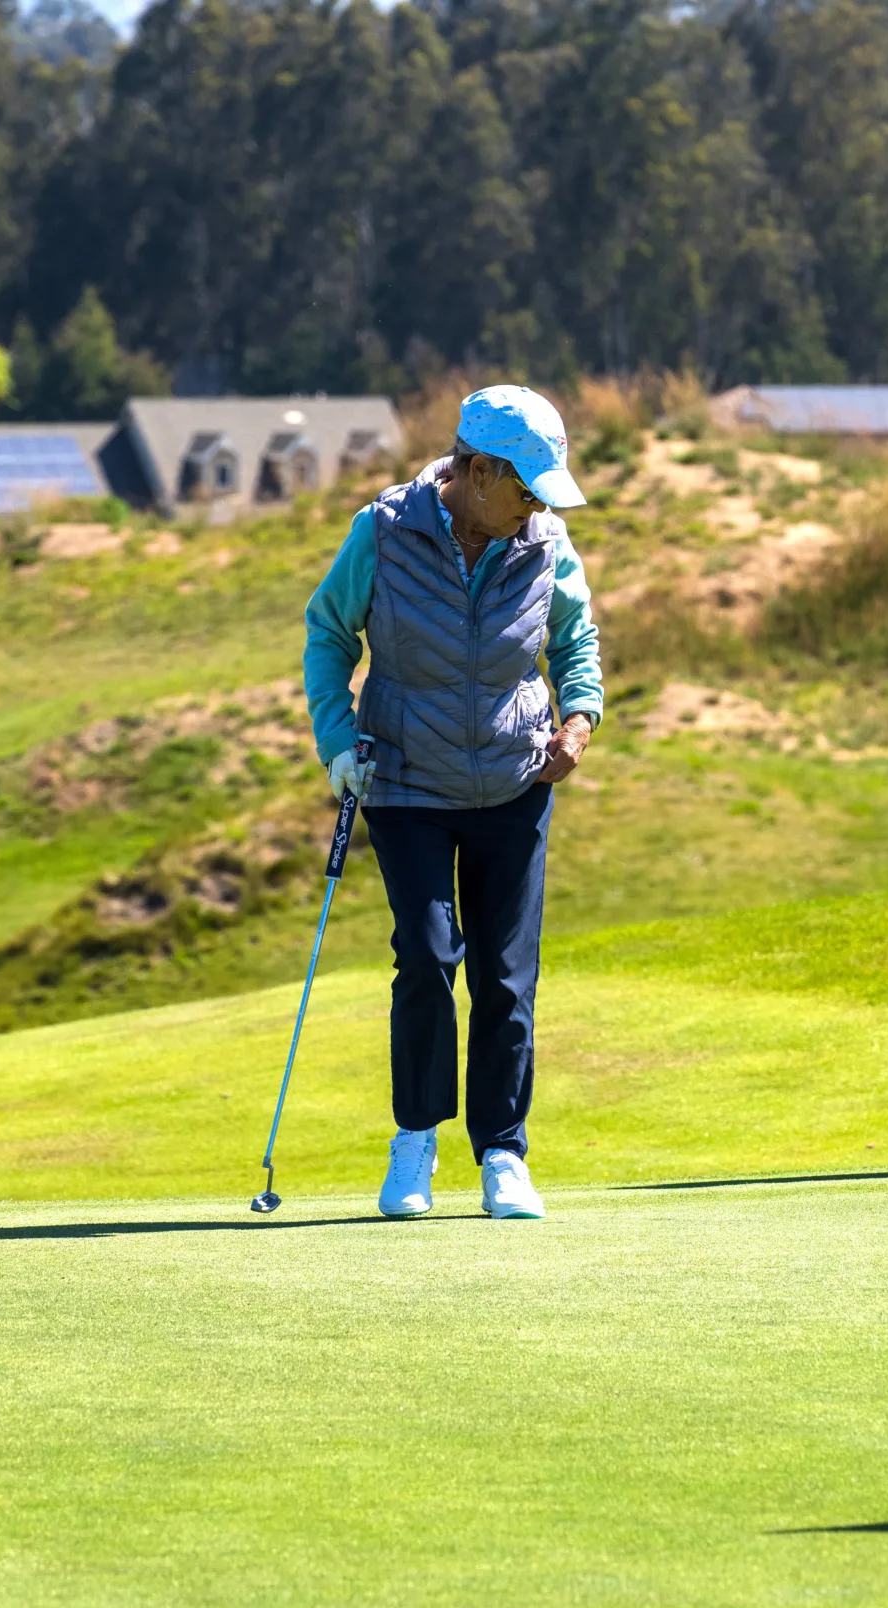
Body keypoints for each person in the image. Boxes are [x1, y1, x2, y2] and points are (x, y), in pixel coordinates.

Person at [301, 385, 601, 1220]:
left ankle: (503, 1152)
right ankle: (415, 1141)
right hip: (405, 781)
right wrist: (337, 745)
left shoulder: (546, 542)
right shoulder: (385, 532)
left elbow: (577, 642)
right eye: (526, 485)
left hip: (515, 780)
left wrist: (578, 722)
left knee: (506, 976)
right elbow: (328, 632)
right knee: (430, 957)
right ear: (478, 471)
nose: (538, 503)